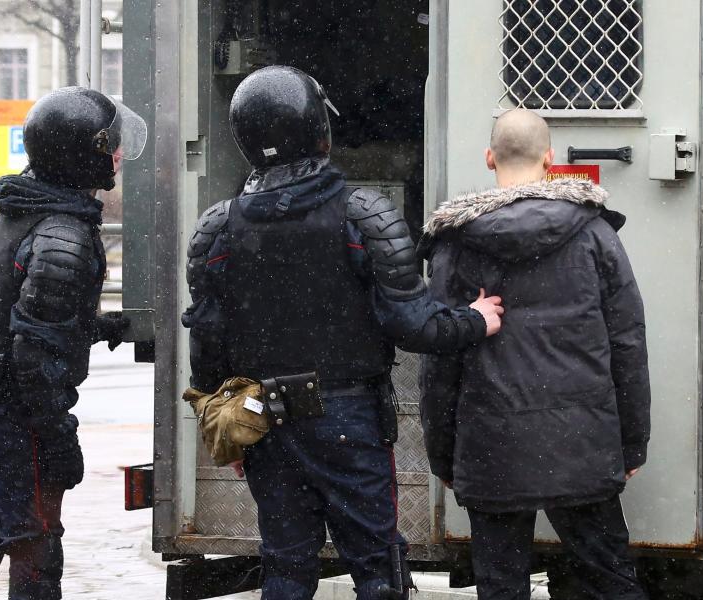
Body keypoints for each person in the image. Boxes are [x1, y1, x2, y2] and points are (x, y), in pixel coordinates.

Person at [182, 65, 504, 600]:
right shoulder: (362, 214)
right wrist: (476, 319)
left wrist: (227, 425)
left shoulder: (218, 225)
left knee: (285, 566)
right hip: (347, 417)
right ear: (319, 132)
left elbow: (208, 341)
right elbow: (413, 326)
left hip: (265, 416)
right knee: (378, 569)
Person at [417, 109, 651, 600]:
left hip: (491, 444)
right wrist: (631, 440)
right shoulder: (595, 235)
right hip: (582, 441)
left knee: (501, 586)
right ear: (549, 159)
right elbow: (628, 341)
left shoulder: (455, 244)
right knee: (610, 581)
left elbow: (439, 359)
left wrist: (443, 451)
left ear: (489, 159)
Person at [0, 86, 147, 600]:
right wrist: (55, 433)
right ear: (83, 154)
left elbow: (26, 321)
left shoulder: (27, 205)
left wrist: (98, 327)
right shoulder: (63, 232)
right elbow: (34, 354)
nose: (118, 156)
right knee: (36, 548)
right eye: (109, 146)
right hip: (19, 414)